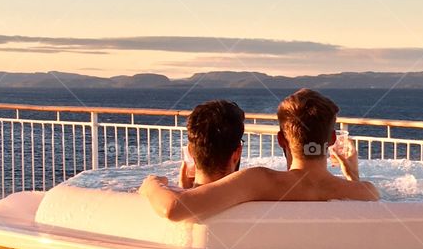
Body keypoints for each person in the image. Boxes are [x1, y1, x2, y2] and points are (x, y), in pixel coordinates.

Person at [139, 88, 379, 221]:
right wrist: (352, 174)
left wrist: (151, 184)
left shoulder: (258, 181)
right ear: (333, 140)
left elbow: (173, 209)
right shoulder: (365, 192)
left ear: (281, 139)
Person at [180, 99, 245, 187]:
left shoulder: (165, 196)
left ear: (190, 151)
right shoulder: (252, 195)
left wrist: (183, 192)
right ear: (237, 153)